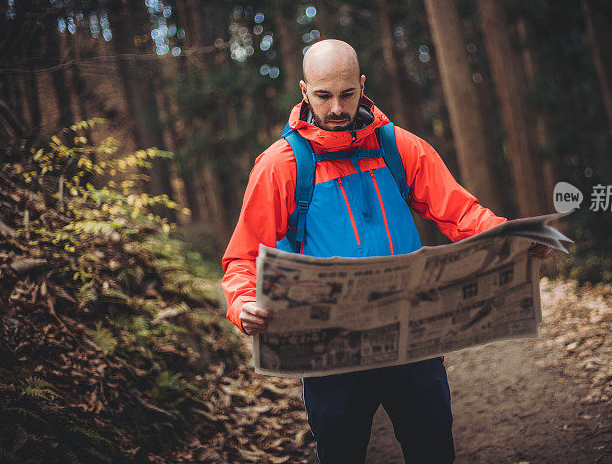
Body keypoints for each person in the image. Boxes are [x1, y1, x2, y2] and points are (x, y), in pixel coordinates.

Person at [221, 39, 553, 463]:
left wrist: (512, 238)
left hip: (412, 337)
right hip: (329, 351)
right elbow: (243, 256)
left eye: (347, 93)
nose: (337, 107)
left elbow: (460, 212)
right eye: (323, 96)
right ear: (304, 91)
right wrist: (244, 303)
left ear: (362, 85)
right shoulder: (280, 165)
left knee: (433, 450)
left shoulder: (399, 146)